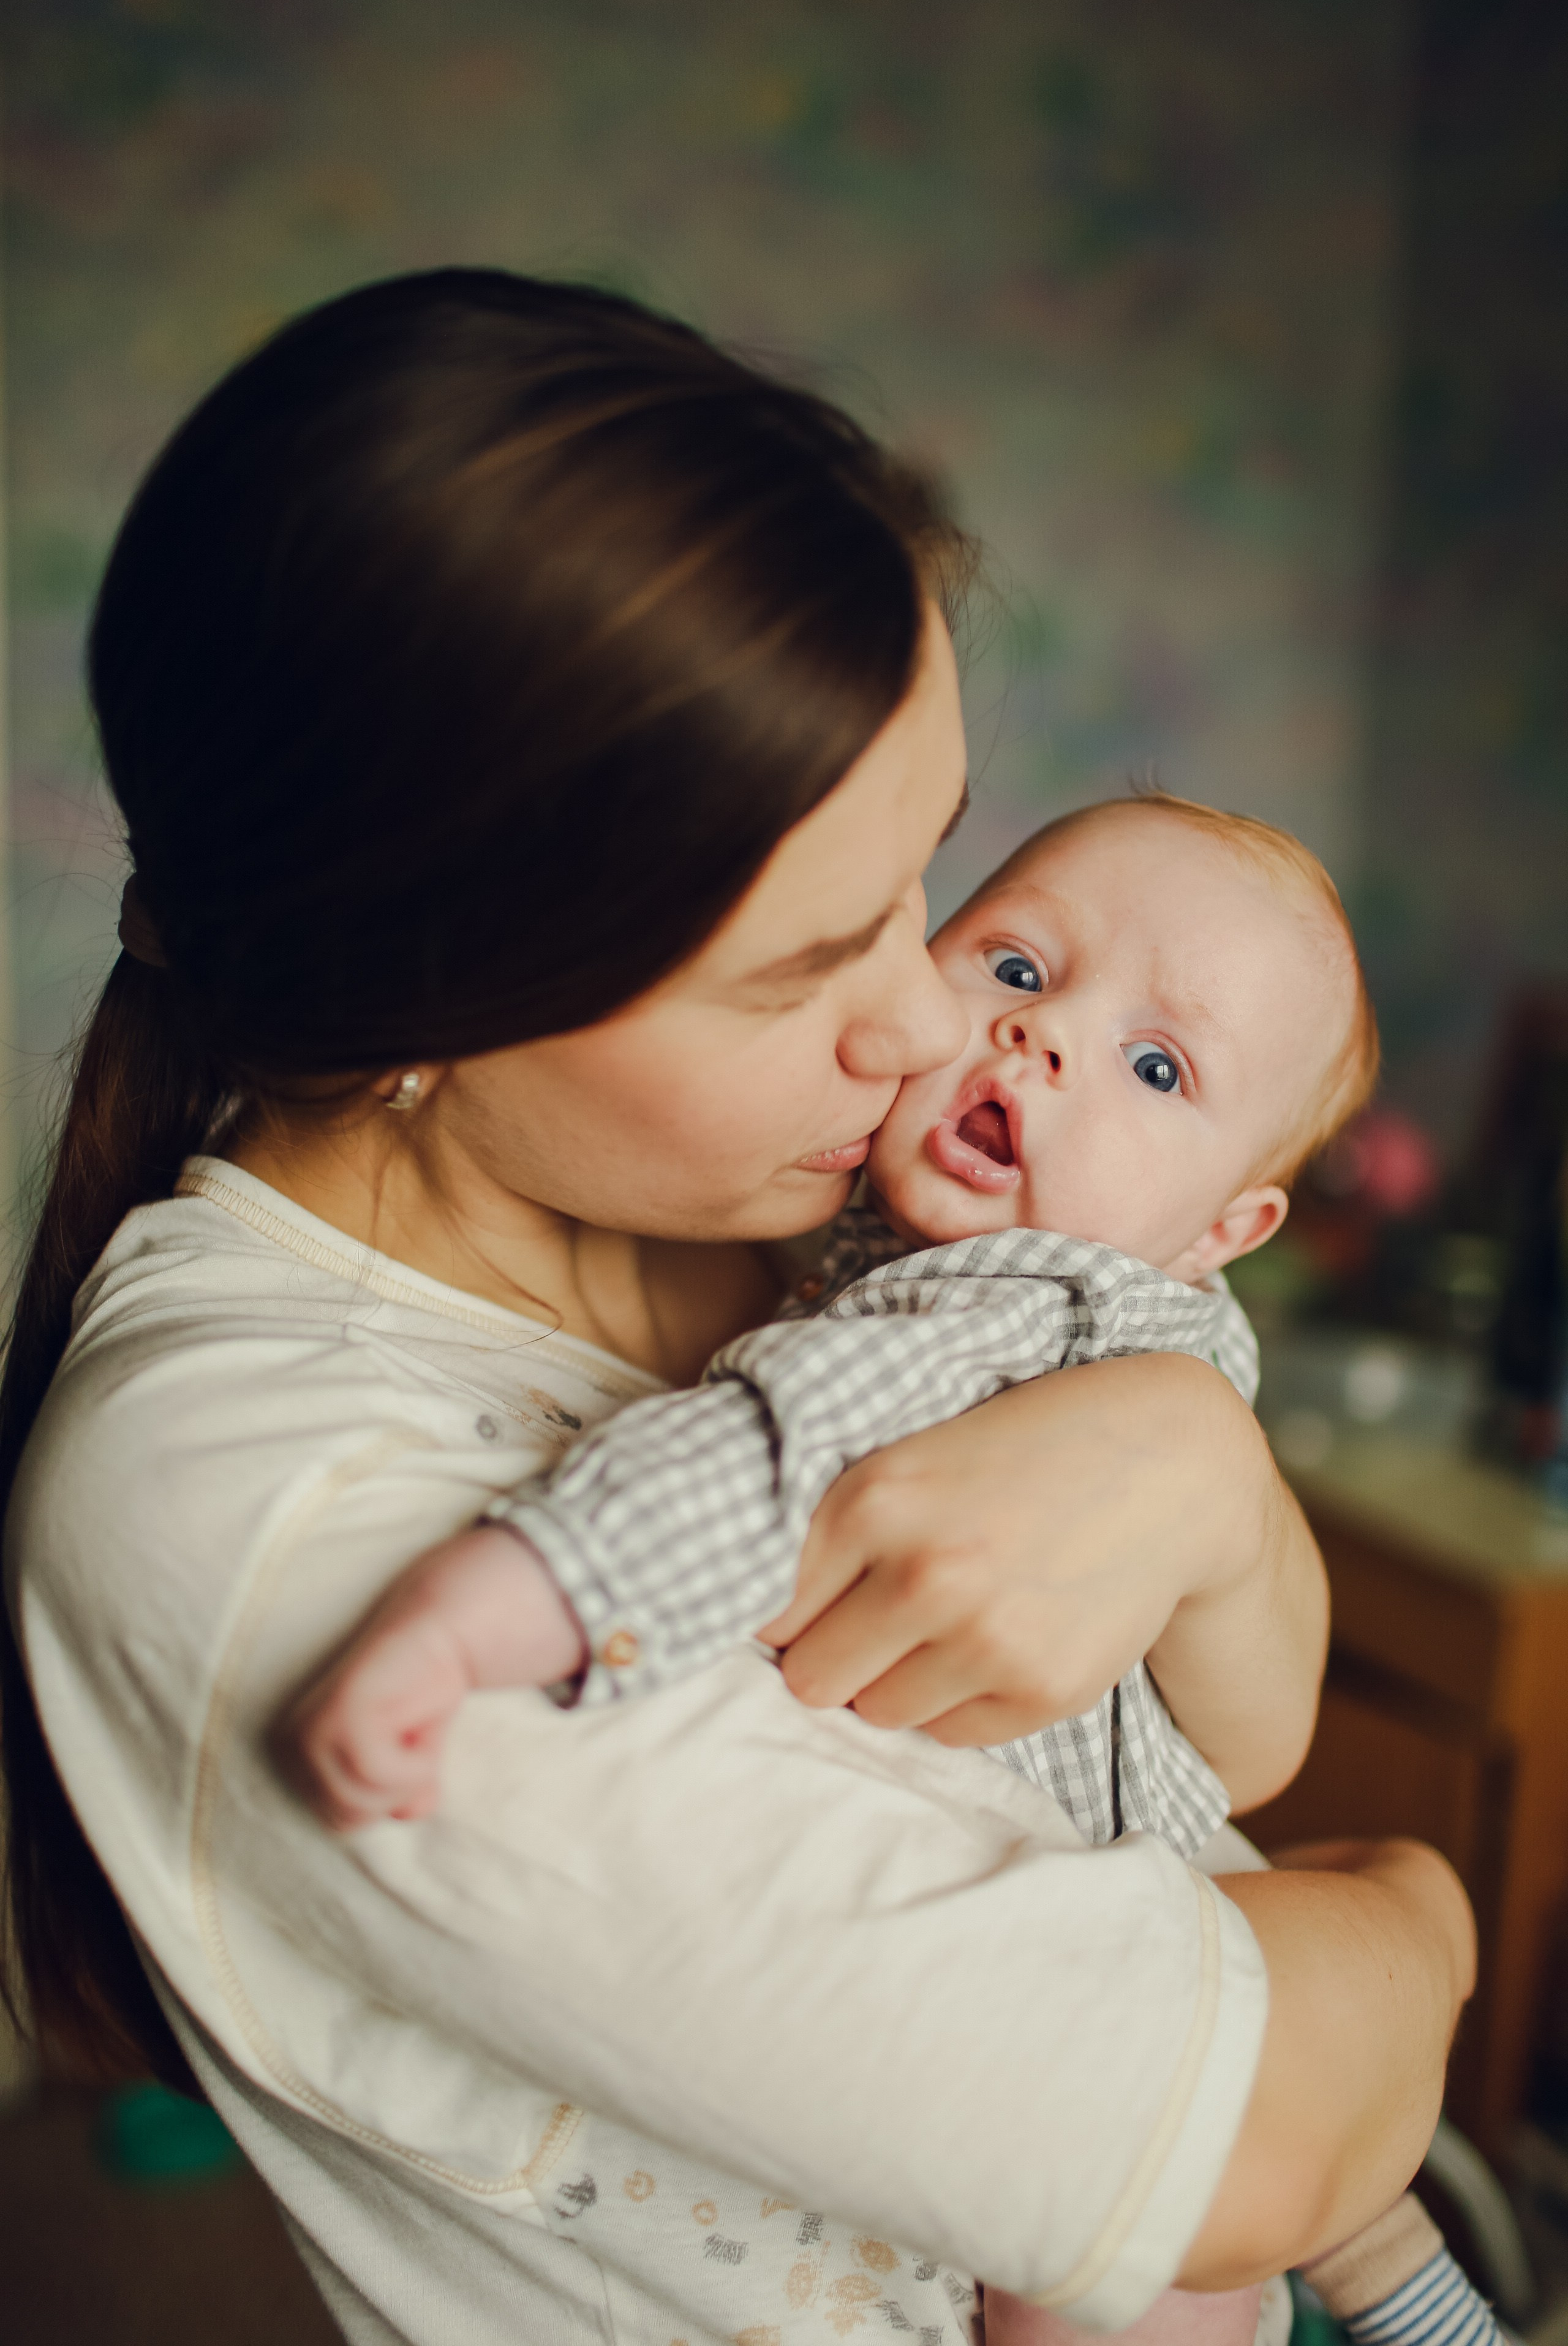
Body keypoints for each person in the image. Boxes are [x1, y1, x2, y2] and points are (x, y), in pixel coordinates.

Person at [1, 270, 1474, 2346]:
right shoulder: (256, 1502)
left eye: (929, 886)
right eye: (799, 969)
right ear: (423, 990)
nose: (928, 1025)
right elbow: (1265, 2145)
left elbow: (1237, 1716)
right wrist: (1420, 1915)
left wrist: (1193, 1465)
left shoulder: (796, 1231)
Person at [287, 791, 1498, 2346]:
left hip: (1118, 1920)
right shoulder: (890, 1260)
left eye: (1155, 1067)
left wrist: (502, 1604)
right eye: (1011, 968)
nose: (1040, 1042)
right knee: (1349, 2236)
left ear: (1224, 1226)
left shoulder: (1013, 1301)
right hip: (1158, 1885)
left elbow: (764, 1450)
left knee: (1102, 2285)